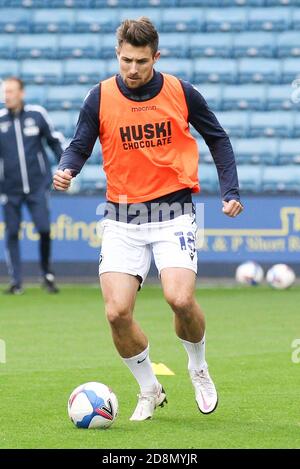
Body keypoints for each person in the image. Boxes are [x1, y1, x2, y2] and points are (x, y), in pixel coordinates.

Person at [53, 17, 243, 421]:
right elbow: (80, 145)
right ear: (117, 56)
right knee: (116, 313)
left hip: (172, 212)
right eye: (125, 61)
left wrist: (230, 190)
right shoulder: (99, 97)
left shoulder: (181, 92)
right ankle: (149, 389)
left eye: (141, 61)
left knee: (179, 298)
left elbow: (218, 138)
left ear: (155, 57)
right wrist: (67, 168)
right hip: (122, 218)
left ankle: (198, 366)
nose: (133, 69)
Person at [0, 77, 63, 294]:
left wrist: (64, 166)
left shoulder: (37, 115)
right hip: (9, 190)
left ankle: (47, 274)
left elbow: (54, 141)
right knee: (12, 233)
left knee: (44, 229)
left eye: (10, 91)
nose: (6, 96)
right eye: (4, 92)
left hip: (37, 187)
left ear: (22, 93)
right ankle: (16, 281)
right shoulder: (0, 121)